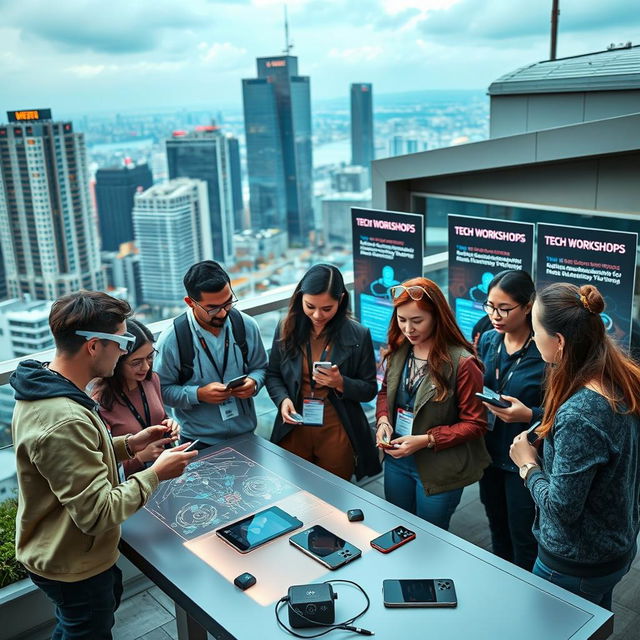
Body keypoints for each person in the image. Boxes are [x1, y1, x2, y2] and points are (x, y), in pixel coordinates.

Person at [10, 290, 197, 640]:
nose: (126, 351)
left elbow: (75, 458)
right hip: (72, 564)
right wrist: (156, 473)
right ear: (94, 345)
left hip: (71, 552)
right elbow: (97, 512)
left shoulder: (49, 388)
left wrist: (128, 444)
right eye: (122, 341)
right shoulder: (63, 418)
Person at [510, 283, 640, 610]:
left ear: (559, 342)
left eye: (535, 330)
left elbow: (562, 509)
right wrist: (537, 416)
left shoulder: (579, 414)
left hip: (573, 565)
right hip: (614, 547)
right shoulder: (617, 379)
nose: (532, 337)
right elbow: (600, 439)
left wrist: (528, 466)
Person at [375, 277, 490, 530]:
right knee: (397, 528)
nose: (408, 329)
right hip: (397, 457)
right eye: (402, 320)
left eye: (417, 321)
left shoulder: (462, 362)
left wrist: (425, 440)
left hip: (440, 467)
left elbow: (476, 424)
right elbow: (385, 392)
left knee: (430, 537)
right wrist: (383, 420)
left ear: (437, 317)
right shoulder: (399, 349)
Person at [266, 264, 381, 481]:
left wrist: (340, 383)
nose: (318, 315)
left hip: (336, 427)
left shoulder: (358, 334)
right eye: (310, 306)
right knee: (293, 490)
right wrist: (282, 400)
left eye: (327, 309)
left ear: (341, 300)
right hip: (294, 425)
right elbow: (273, 374)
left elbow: (369, 390)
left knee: (333, 494)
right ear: (300, 298)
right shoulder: (286, 327)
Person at [155, 260, 268, 449]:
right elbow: (161, 391)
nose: (223, 313)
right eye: (213, 308)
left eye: (228, 302)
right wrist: (198, 394)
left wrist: (254, 383)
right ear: (190, 303)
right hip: (197, 441)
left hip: (246, 435)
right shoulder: (173, 338)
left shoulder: (246, 325)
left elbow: (261, 368)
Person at [477, 270, 545, 570]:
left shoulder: (545, 350)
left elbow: (563, 411)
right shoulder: (489, 340)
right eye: (490, 306)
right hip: (490, 452)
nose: (495, 315)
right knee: (496, 527)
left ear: (528, 306)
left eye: (504, 309)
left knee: (524, 537)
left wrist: (529, 414)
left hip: (525, 458)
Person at [93, 318, 181, 478]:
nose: (146, 367)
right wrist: (140, 458)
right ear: (117, 361)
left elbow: (160, 416)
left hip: (168, 471)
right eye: (136, 362)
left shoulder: (151, 379)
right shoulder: (100, 401)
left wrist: (170, 424)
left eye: (149, 357)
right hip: (133, 484)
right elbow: (104, 461)